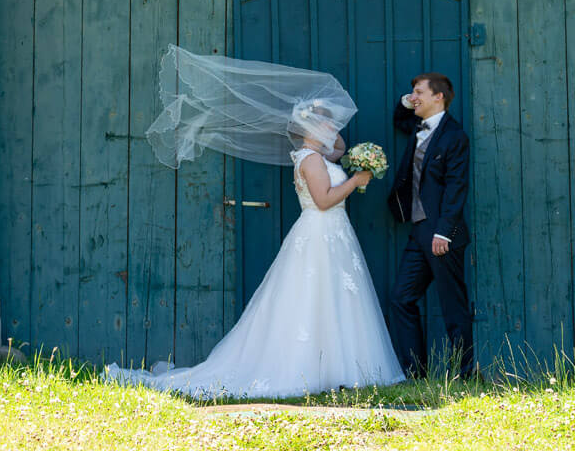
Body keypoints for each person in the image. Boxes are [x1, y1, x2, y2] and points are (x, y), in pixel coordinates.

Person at [107, 46, 404, 399]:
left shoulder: (317, 153)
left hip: (333, 235)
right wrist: (356, 180)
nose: (334, 128)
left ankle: (338, 368)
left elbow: (338, 148)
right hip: (320, 231)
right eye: (328, 123)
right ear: (312, 127)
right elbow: (324, 200)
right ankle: (313, 368)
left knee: (333, 299)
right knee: (314, 298)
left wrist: (329, 130)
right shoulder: (310, 160)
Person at [387, 73, 474, 377]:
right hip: (418, 231)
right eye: (412, 92)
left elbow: (456, 187)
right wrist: (408, 100)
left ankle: (466, 373)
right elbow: (400, 117)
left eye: (419, 92)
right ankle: (415, 373)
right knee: (401, 299)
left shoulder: (455, 136)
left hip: (442, 235)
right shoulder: (417, 126)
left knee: (453, 306)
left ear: (439, 97)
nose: (414, 98)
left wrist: (444, 232)